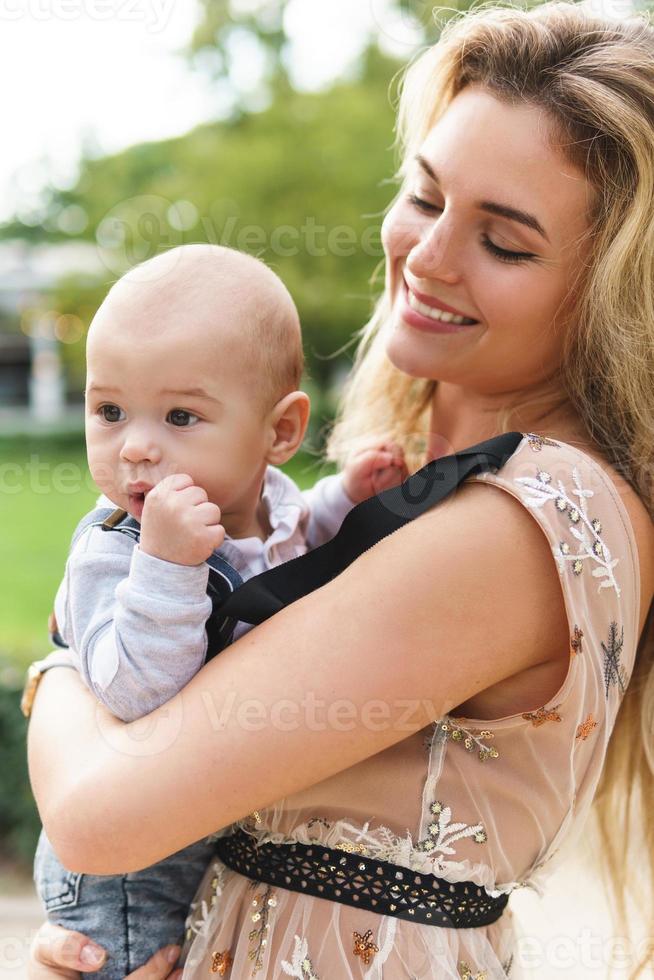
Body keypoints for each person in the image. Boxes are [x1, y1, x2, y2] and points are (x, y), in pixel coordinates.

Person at [25, 2, 654, 977]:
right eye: (427, 193)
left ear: (613, 289)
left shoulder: (520, 520)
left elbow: (101, 812)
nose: (429, 255)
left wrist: (63, 666)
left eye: (507, 242)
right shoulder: (423, 476)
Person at [31, 243, 408, 979]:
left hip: (204, 831)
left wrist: (347, 497)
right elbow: (131, 692)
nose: (135, 447)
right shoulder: (115, 549)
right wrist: (166, 569)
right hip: (127, 874)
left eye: (179, 416)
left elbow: (295, 551)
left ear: (280, 433)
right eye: (109, 410)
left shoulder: (272, 507)